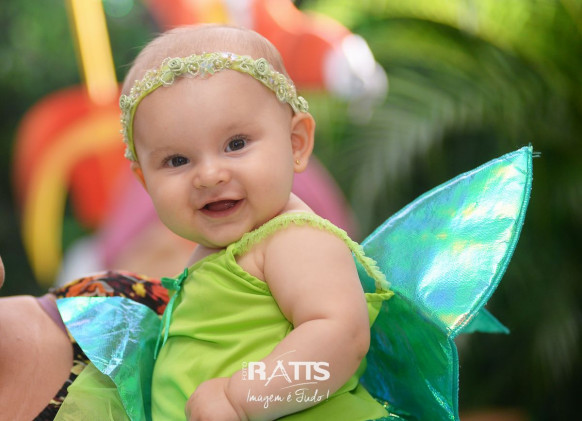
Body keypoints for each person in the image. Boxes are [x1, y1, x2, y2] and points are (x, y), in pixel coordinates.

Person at [118, 24, 393, 420]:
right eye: (177, 160)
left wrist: (243, 398)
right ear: (145, 181)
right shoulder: (215, 255)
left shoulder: (293, 237)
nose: (209, 175)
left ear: (296, 143)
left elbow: (342, 338)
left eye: (236, 144)